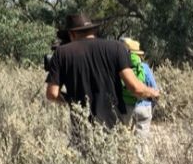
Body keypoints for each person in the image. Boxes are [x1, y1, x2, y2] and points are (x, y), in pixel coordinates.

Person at [44, 13, 158, 141]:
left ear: (72, 34)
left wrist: (73, 100)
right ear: (93, 30)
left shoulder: (62, 53)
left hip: (82, 126)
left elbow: (52, 94)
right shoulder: (117, 47)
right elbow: (135, 88)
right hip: (114, 126)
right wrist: (152, 92)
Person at [121, 37, 159, 137]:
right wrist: (151, 105)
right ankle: (140, 153)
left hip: (126, 107)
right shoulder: (144, 67)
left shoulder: (122, 67)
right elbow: (154, 88)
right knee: (141, 141)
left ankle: (127, 152)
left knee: (124, 137)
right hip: (144, 107)